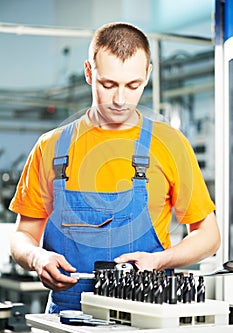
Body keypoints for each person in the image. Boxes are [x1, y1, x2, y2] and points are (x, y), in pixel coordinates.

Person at [9, 22, 220, 313]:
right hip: (68, 316)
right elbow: (23, 235)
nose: (120, 99)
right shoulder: (51, 146)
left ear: (147, 74)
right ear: (89, 72)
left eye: (133, 85)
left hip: (147, 314)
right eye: (108, 85)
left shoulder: (170, 143)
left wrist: (160, 261)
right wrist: (36, 258)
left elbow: (209, 236)